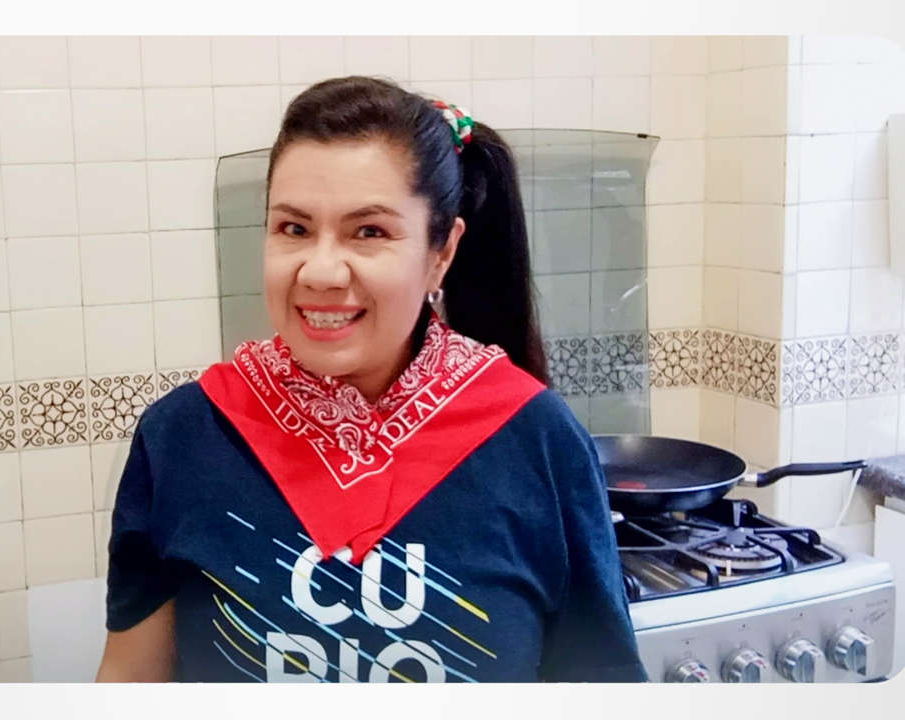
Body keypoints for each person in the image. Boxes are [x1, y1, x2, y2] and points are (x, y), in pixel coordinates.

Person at [94, 76, 646, 683]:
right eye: (294, 228)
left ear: (441, 253)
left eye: (370, 231)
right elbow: (129, 681)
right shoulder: (184, 437)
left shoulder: (536, 440)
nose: (322, 271)